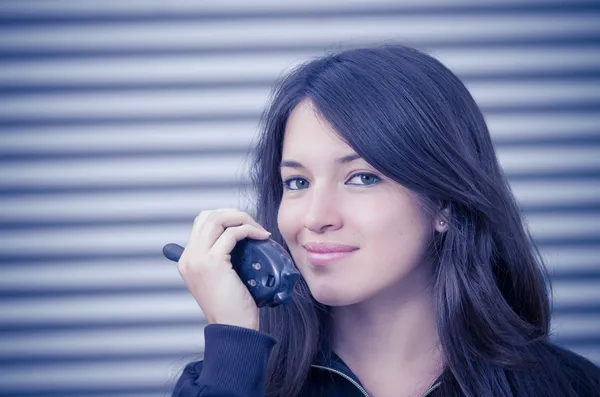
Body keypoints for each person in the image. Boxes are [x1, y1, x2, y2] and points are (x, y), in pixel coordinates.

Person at [170, 44, 600, 397]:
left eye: (362, 177)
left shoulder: (567, 387)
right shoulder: (229, 381)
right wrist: (234, 348)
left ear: (445, 204)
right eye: (297, 182)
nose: (315, 218)